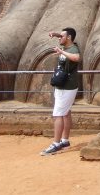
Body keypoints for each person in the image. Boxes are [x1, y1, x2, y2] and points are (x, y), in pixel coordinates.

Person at [41, 27, 81, 155]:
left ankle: (56, 143)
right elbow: (63, 39)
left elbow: (76, 58)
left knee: (58, 114)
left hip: (67, 87)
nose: (59, 38)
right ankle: (65, 140)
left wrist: (61, 52)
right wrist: (55, 34)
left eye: (61, 36)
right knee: (65, 113)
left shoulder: (73, 49)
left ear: (69, 37)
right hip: (64, 86)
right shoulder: (66, 48)